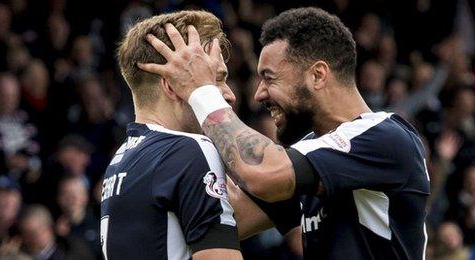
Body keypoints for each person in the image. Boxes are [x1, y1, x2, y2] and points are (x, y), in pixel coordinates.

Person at [139, 7, 429, 259]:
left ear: (318, 75)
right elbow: (227, 218)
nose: (258, 94)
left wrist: (203, 93)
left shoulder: (384, 137)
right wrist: (166, 130)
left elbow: (263, 172)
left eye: (269, 77)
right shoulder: (311, 150)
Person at [100, 10, 242, 260]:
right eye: (214, 79)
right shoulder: (190, 151)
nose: (229, 94)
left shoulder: (121, 160)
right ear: (173, 84)